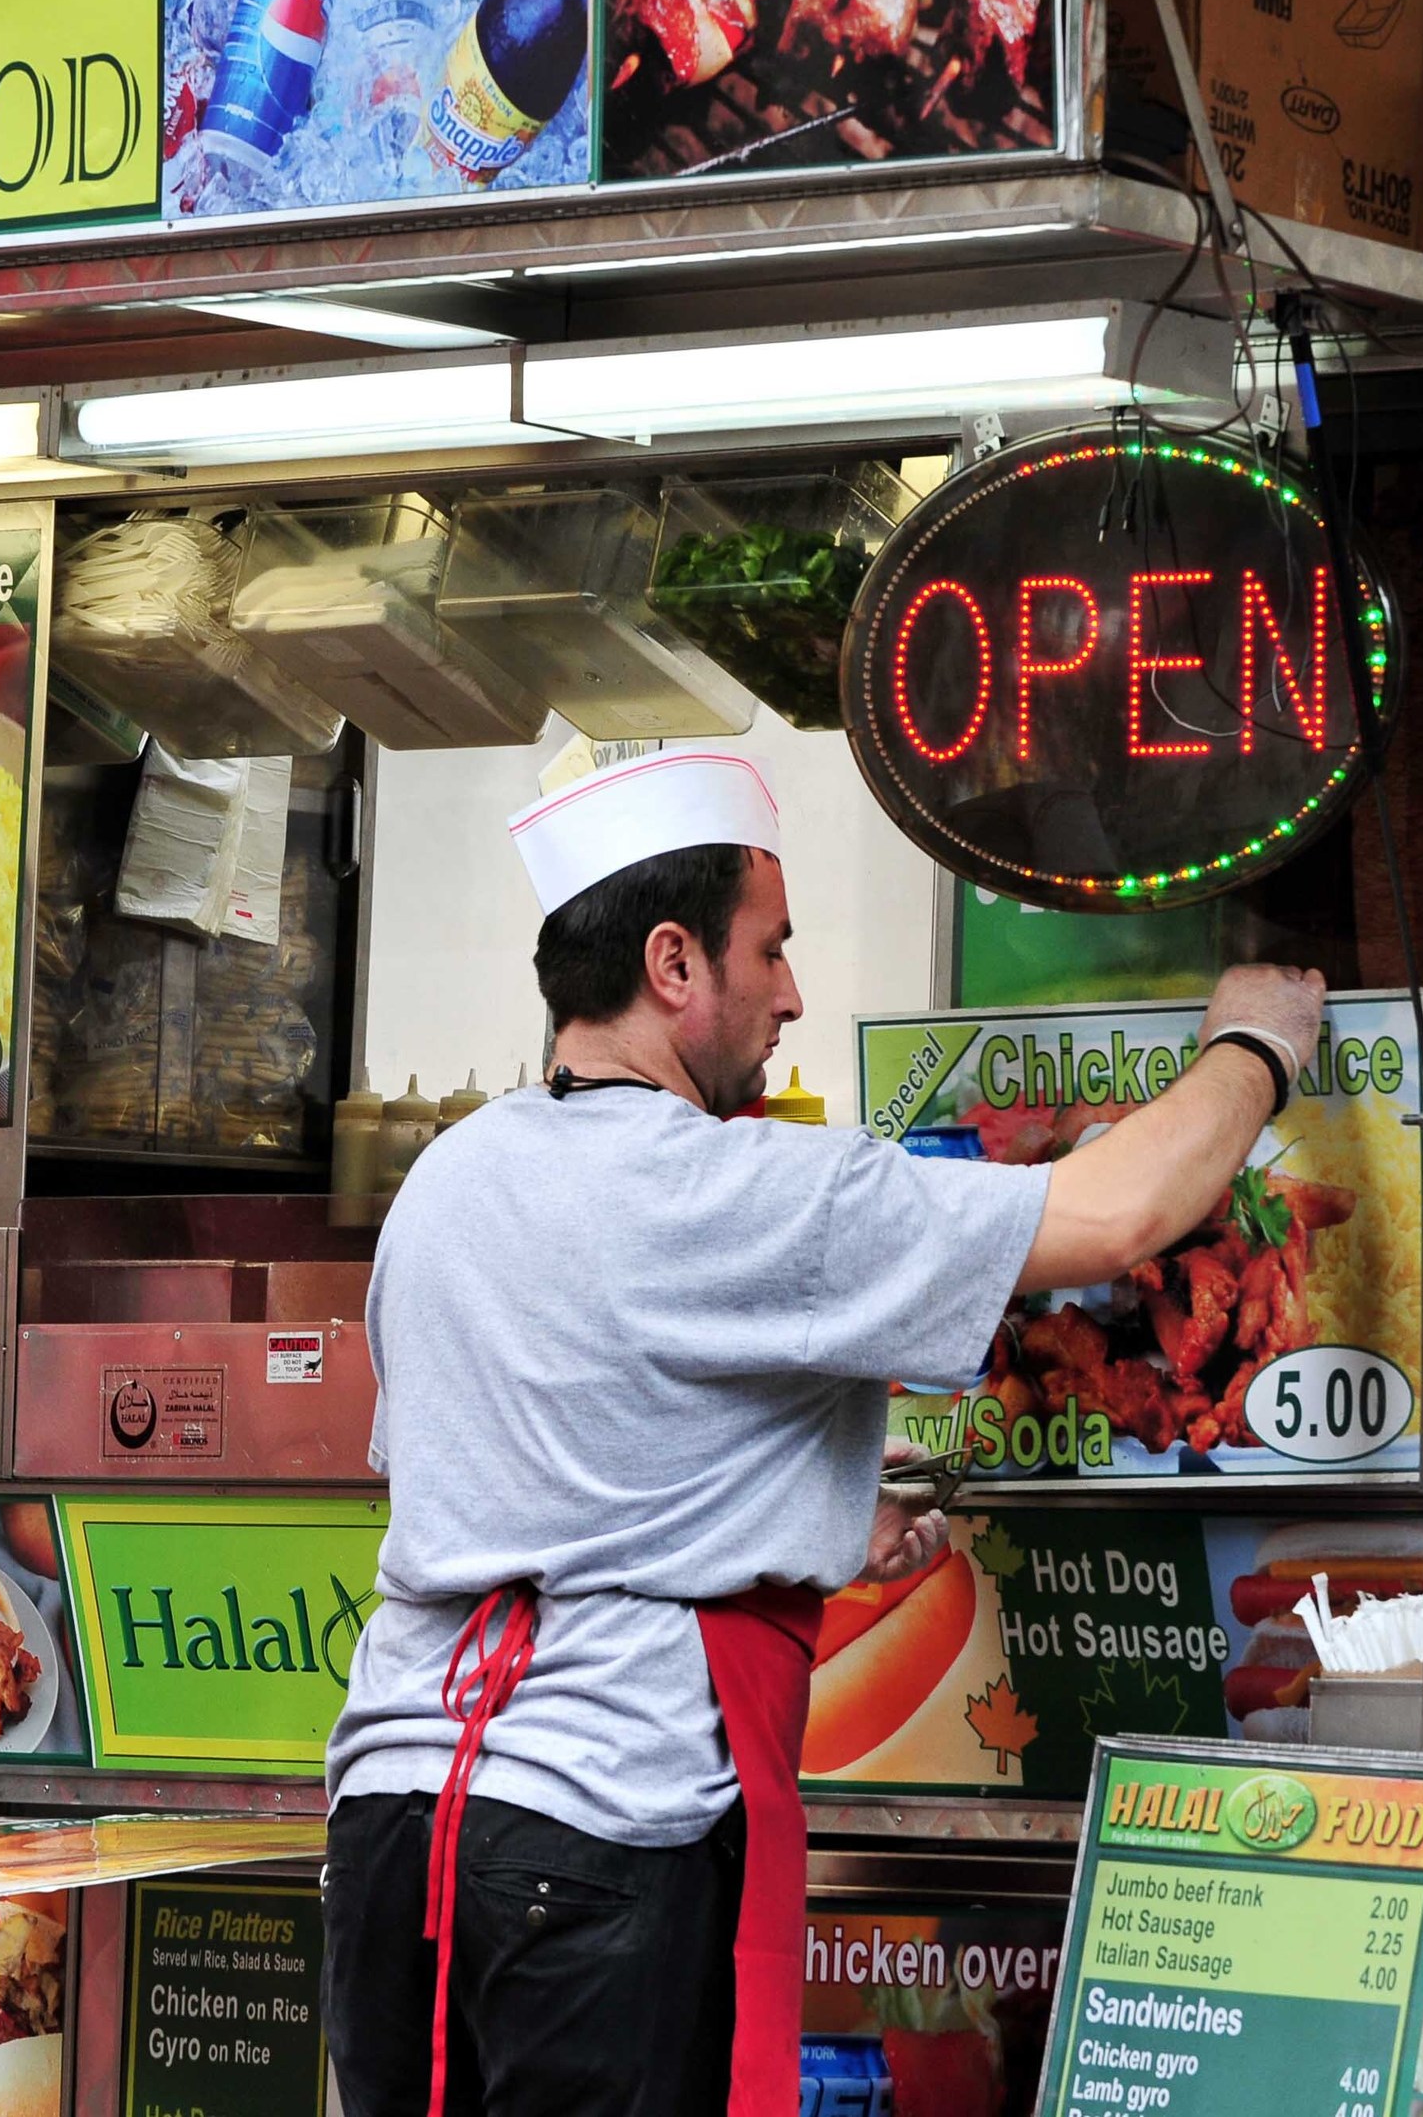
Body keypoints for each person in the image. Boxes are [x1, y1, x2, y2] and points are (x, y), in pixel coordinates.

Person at [322, 749, 1325, 2117]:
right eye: (771, 949)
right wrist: (1253, 1042)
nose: (793, 992)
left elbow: (517, 1482)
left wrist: (800, 1514)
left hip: (394, 1826)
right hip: (599, 1830)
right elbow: (1125, 1211)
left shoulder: (446, 1182)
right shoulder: (744, 1189)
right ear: (674, 964)